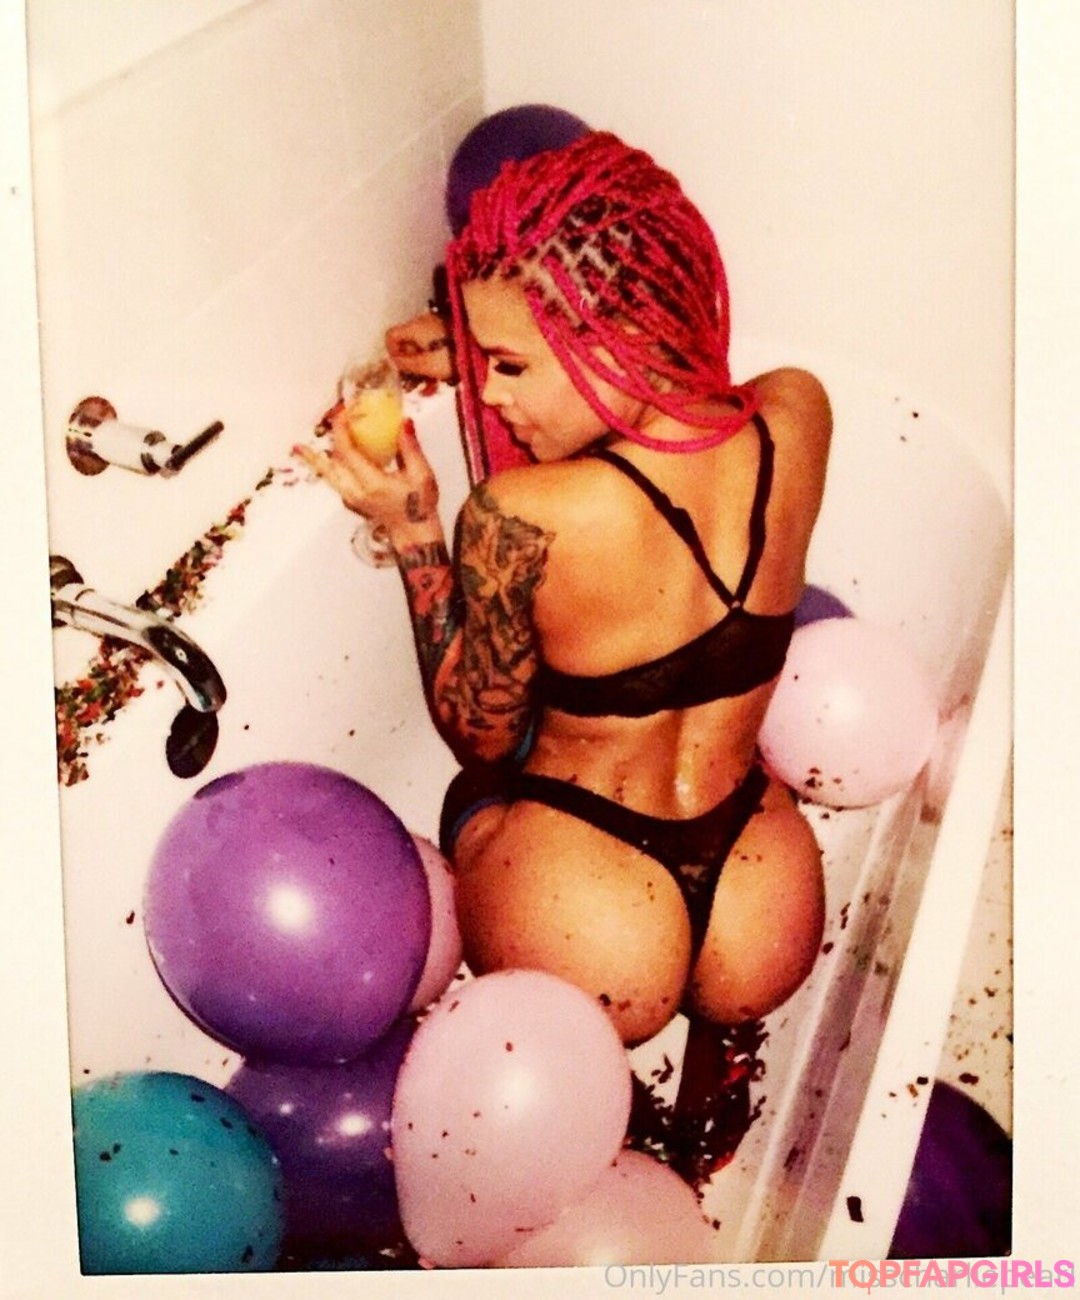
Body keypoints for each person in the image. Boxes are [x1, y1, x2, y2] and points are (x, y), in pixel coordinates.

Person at [300, 130, 831, 1187]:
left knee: (472, 793)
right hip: (766, 899)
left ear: (614, 336)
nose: (492, 398)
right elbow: (684, 410)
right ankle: (718, 1062)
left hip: (592, 935)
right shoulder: (797, 414)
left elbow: (481, 730)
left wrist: (413, 529)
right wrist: (495, 349)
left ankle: (588, 1102)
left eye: (510, 367)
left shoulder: (527, 513)